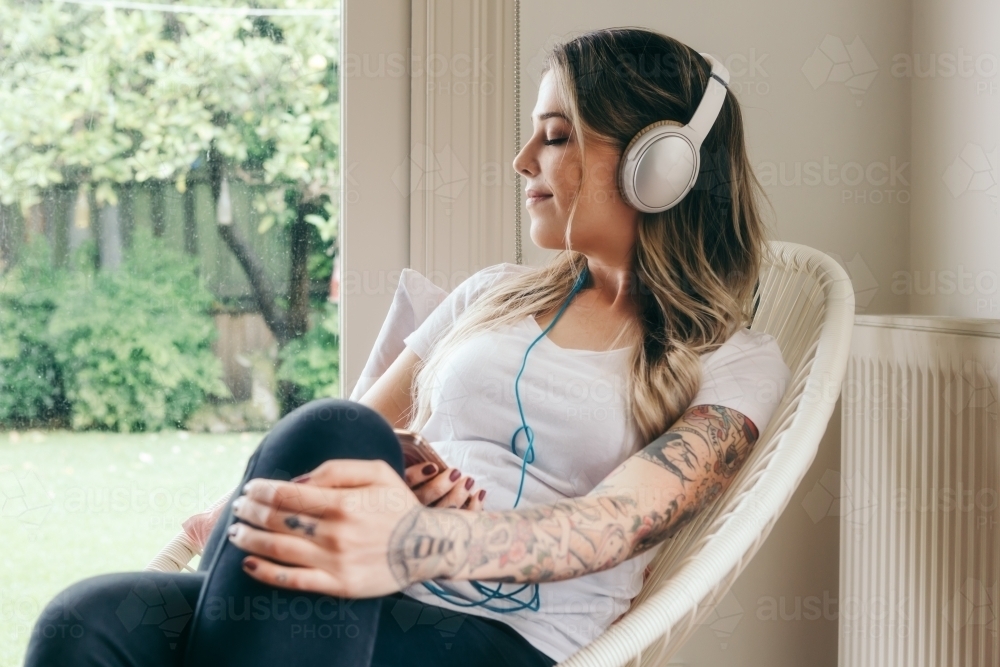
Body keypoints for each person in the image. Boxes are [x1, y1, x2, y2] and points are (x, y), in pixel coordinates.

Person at [24, 27, 791, 667]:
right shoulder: (491, 293)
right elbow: (348, 434)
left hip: (500, 637)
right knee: (83, 621)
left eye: (557, 136)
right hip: (354, 596)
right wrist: (397, 472)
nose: (523, 159)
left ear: (660, 167)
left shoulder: (732, 359)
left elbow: (614, 523)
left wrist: (414, 538)